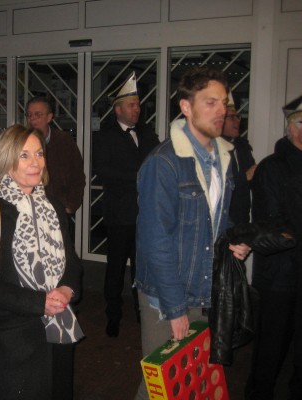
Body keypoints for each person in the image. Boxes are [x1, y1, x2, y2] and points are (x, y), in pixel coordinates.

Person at [134, 66, 251, 400]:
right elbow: (155, 241)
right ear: (186, 107)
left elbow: (213, 220)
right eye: (210, 102)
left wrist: (231, 240)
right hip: (165, 296)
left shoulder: (221, 157)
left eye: (224, 102)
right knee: (160, 386)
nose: (221, 110)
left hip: (200, 286)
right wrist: (175, 309)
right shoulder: (164, 163)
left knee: (187, 380)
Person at [0, 124, 84, 400]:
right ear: (6, 159)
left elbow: (72, 261)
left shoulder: (53, 206)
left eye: (39, 154)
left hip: (58, 331)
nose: (36, 162)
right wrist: (38, 302)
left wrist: (67, 289)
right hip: (10, 338)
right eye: (24, 155)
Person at [92, 71, 160, 337]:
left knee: (142, 268)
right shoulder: (105, 136)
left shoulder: (147, 132)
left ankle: (142, 312)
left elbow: (157, 162)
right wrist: (139, 175)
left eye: (138, 105)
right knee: (116, 268)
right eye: (132, 105)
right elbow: (103, 171)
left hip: (145, 215)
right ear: (118, 109)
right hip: (119, 214)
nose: (137, 109)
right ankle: (113, 315)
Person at [245, 94, 302, 400]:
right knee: (271, 346)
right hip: (280, 274)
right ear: (293, 128)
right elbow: (271, 223)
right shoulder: (272, 168)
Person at [25, 96, 86, 238]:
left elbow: (77, 176)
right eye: (29, 115)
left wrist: (70, 205)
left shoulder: (64, 141)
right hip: (29, 211)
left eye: (38, 114)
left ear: (49, 117)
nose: (32, 119)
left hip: (59, 210)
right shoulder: (21, 142)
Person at [222, 91, 256, 224]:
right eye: (231, 117)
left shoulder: (243, 147)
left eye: (238, 116)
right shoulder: (211, 148)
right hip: (223, 220)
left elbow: (253, 179)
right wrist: (244, 177)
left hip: (242, 219)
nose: (237, 121)